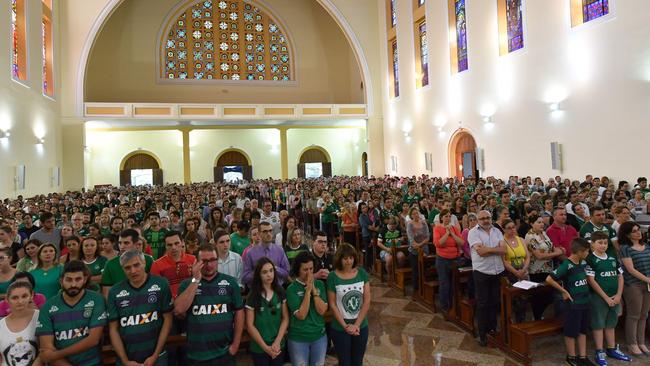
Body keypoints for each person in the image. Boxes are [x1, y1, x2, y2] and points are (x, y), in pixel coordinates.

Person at [174, 244, 244, 366]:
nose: (209, 265)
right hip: (196, 355)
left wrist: (235, 345)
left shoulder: (230, 282)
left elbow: (239, 312)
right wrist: (196, 280)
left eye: (212, 260)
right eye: (204, 261)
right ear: (197, 262)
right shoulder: (186, 285)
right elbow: (179, 310)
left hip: (224, 352)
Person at [107, 249, 173, 366]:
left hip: (158, 357)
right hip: (127, 359)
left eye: (136, 265)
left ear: (144, 263)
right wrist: (125, 361)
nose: (133, 271)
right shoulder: (115, 292)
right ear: (123, 269)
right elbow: (113, 329)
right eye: (127, 268)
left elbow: (167, 320)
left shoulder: (161, 284)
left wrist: (155, 355)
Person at [36, 260, 107, 366]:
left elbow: (93, 340)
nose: (73, 284)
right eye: (68, 280)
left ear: (85, 279)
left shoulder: (97, 299)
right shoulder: (48, 306)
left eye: (78, 279)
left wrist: (56, 355)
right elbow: (47, 348)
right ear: (61, 281)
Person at [546, 238, 594, 366]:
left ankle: (583, 357)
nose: (588, 254)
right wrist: (564, 291)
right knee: (571, 331)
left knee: (583, 330)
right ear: (579, 251)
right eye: (586, 251)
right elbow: (549, 279)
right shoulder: (567, 264)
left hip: (585, 302)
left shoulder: (583, 263)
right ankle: (571, 358)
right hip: (574, 304)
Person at [584, 231, 630, 365]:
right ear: (592, 244)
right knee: (598, 324)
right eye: (599, 243)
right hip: (598, 298)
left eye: (605, 243)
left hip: (614, 297)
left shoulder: (612, 257)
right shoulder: (590, 259)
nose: (603, 245)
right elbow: (591, 280)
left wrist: (619, 295)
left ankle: (611, 348)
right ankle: (599, 351)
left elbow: (620, 276)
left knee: (611, 323)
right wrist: (606, 298)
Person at [327, 244, 370, 366]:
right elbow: (332, 304)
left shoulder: (361, 273)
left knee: (357, 361)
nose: (349, 261)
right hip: (340, 327)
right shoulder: (332, 276)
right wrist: (345, 326)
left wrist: (356, 325)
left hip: (360, 326)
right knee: (344, 362)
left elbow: (366, 300)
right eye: (345, 258)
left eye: (351, 258)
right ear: (339, 259)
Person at [468, 210, 505, 346]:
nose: (485, 220)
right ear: (478, 220)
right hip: (482, 272)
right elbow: (481, 252)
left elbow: (504, 250)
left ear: (491, 218)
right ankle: (482, 334)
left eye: (487, 218)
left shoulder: (497, 231)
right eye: (482, 218)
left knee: (495, 301)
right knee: (483, 303)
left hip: (498, 271)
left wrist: (488, 249)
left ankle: (492, 328)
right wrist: (494, 249)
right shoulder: (473, 232)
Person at [286, 251, 328, 366]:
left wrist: (314, 290)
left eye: (311, 269)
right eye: (305, 270)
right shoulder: (292, 289)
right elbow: (301, 315)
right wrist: (307, 291)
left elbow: (322, 310)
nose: (309, 273)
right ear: (298, 270)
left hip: (319, 336)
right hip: (298, 338)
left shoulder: (319, 285)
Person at [246, 257, 289, 366]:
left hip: (278, 345)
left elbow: (285, 318)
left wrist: (277, 342)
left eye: (271, 271)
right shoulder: (252, 296)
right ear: (258, 275)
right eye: (264, 272)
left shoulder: (280, 291)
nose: (269, 275)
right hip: (259, 347)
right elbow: (250, 325)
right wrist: (266, 348)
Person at [618, 221, 650, 356]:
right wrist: (648, 279)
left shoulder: (646, 246)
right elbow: (630, 269)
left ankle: (641, 342)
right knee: (634, 315)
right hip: (633, 285)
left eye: (639, 230)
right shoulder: (625, 248)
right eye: (634, 231)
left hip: (647, 284)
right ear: (627, 235)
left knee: (644, 314)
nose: (638, 233)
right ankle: (632, 344)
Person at [525, 214, 563, 320]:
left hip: (548, 268)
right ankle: (537, 318)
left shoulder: (544, 233)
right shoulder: (530, 237)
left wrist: (557, 250)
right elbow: (539, 256)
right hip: (537, 270)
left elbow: (551, 247)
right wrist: (556, 253)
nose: (542, 224)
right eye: (538, 222)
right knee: (539, 296)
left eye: (542, 222)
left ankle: (540, 316)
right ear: (532, 223)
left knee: (549, 294)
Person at [101, 229, 154, 297]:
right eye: (120, 243)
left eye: (126, 243)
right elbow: (106, 293)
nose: (122, 246)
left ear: (136, 244)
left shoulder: (148, 260)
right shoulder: (110, 264)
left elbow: (154, 285)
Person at [0, 281, 40, 366]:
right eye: (15, 298)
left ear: (31, 295)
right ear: (7, 299)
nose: (20, 301)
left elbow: (45, 351)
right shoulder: (0, 325)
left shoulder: (40, 317)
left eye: (24, 296)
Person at [150, 230, 196, 299]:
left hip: (192, 300)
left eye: (176, 243)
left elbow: (198, 282)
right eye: (169, 245)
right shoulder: (156, 265)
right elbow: (156, 289)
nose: (173, 247)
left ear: (182, 242)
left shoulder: (193, 260)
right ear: (165, 246)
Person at [433, 209, 463, 313]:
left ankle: (453, 304)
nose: (448, 218)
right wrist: (446, 233)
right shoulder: (437, 228)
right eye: (446, 216)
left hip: (455, 259)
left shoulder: (454, 228)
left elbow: (461, 242)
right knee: (444, 283)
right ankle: (445, 307)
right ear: (441, 218)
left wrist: (452, 234)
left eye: (449, 216)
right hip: (443, 259)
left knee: (454, 283)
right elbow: (438, 243)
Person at [242, 222, 290, 287]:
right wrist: (260, 272)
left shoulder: (279, 250)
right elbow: (245, 277)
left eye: (270, 231)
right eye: (265, 231)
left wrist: (274, 268)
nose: (268, 234)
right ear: (259, 234)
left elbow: (286, 272)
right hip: (258, 290)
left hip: (277, 290)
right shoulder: (250, 253)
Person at [406, 207, 430, 295]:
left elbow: (427, 237)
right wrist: (418, 247)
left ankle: (425, 289)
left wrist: (421, 246)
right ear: (411, 215)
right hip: (414, 250)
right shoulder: (410, 224)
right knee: (415, 271)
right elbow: (411, 240)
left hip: (424, 249)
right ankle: (416, 290)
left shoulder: (424, 223)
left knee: (424, 269)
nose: (416, 215)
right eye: (414, 214)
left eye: (417, 213)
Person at [377, 217, 406, 282]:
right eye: (392, 227)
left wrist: (398, 239)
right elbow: (379, 243)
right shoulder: (383, 230)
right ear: (389, 224)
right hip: (385, 249)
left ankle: (398, 272)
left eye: (394, 227)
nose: (393, 228)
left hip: (396, 249)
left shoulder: (398, 229)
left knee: (401, 256)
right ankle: (390, 274)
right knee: (389, 259)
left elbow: (402, 238)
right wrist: (387, 249)